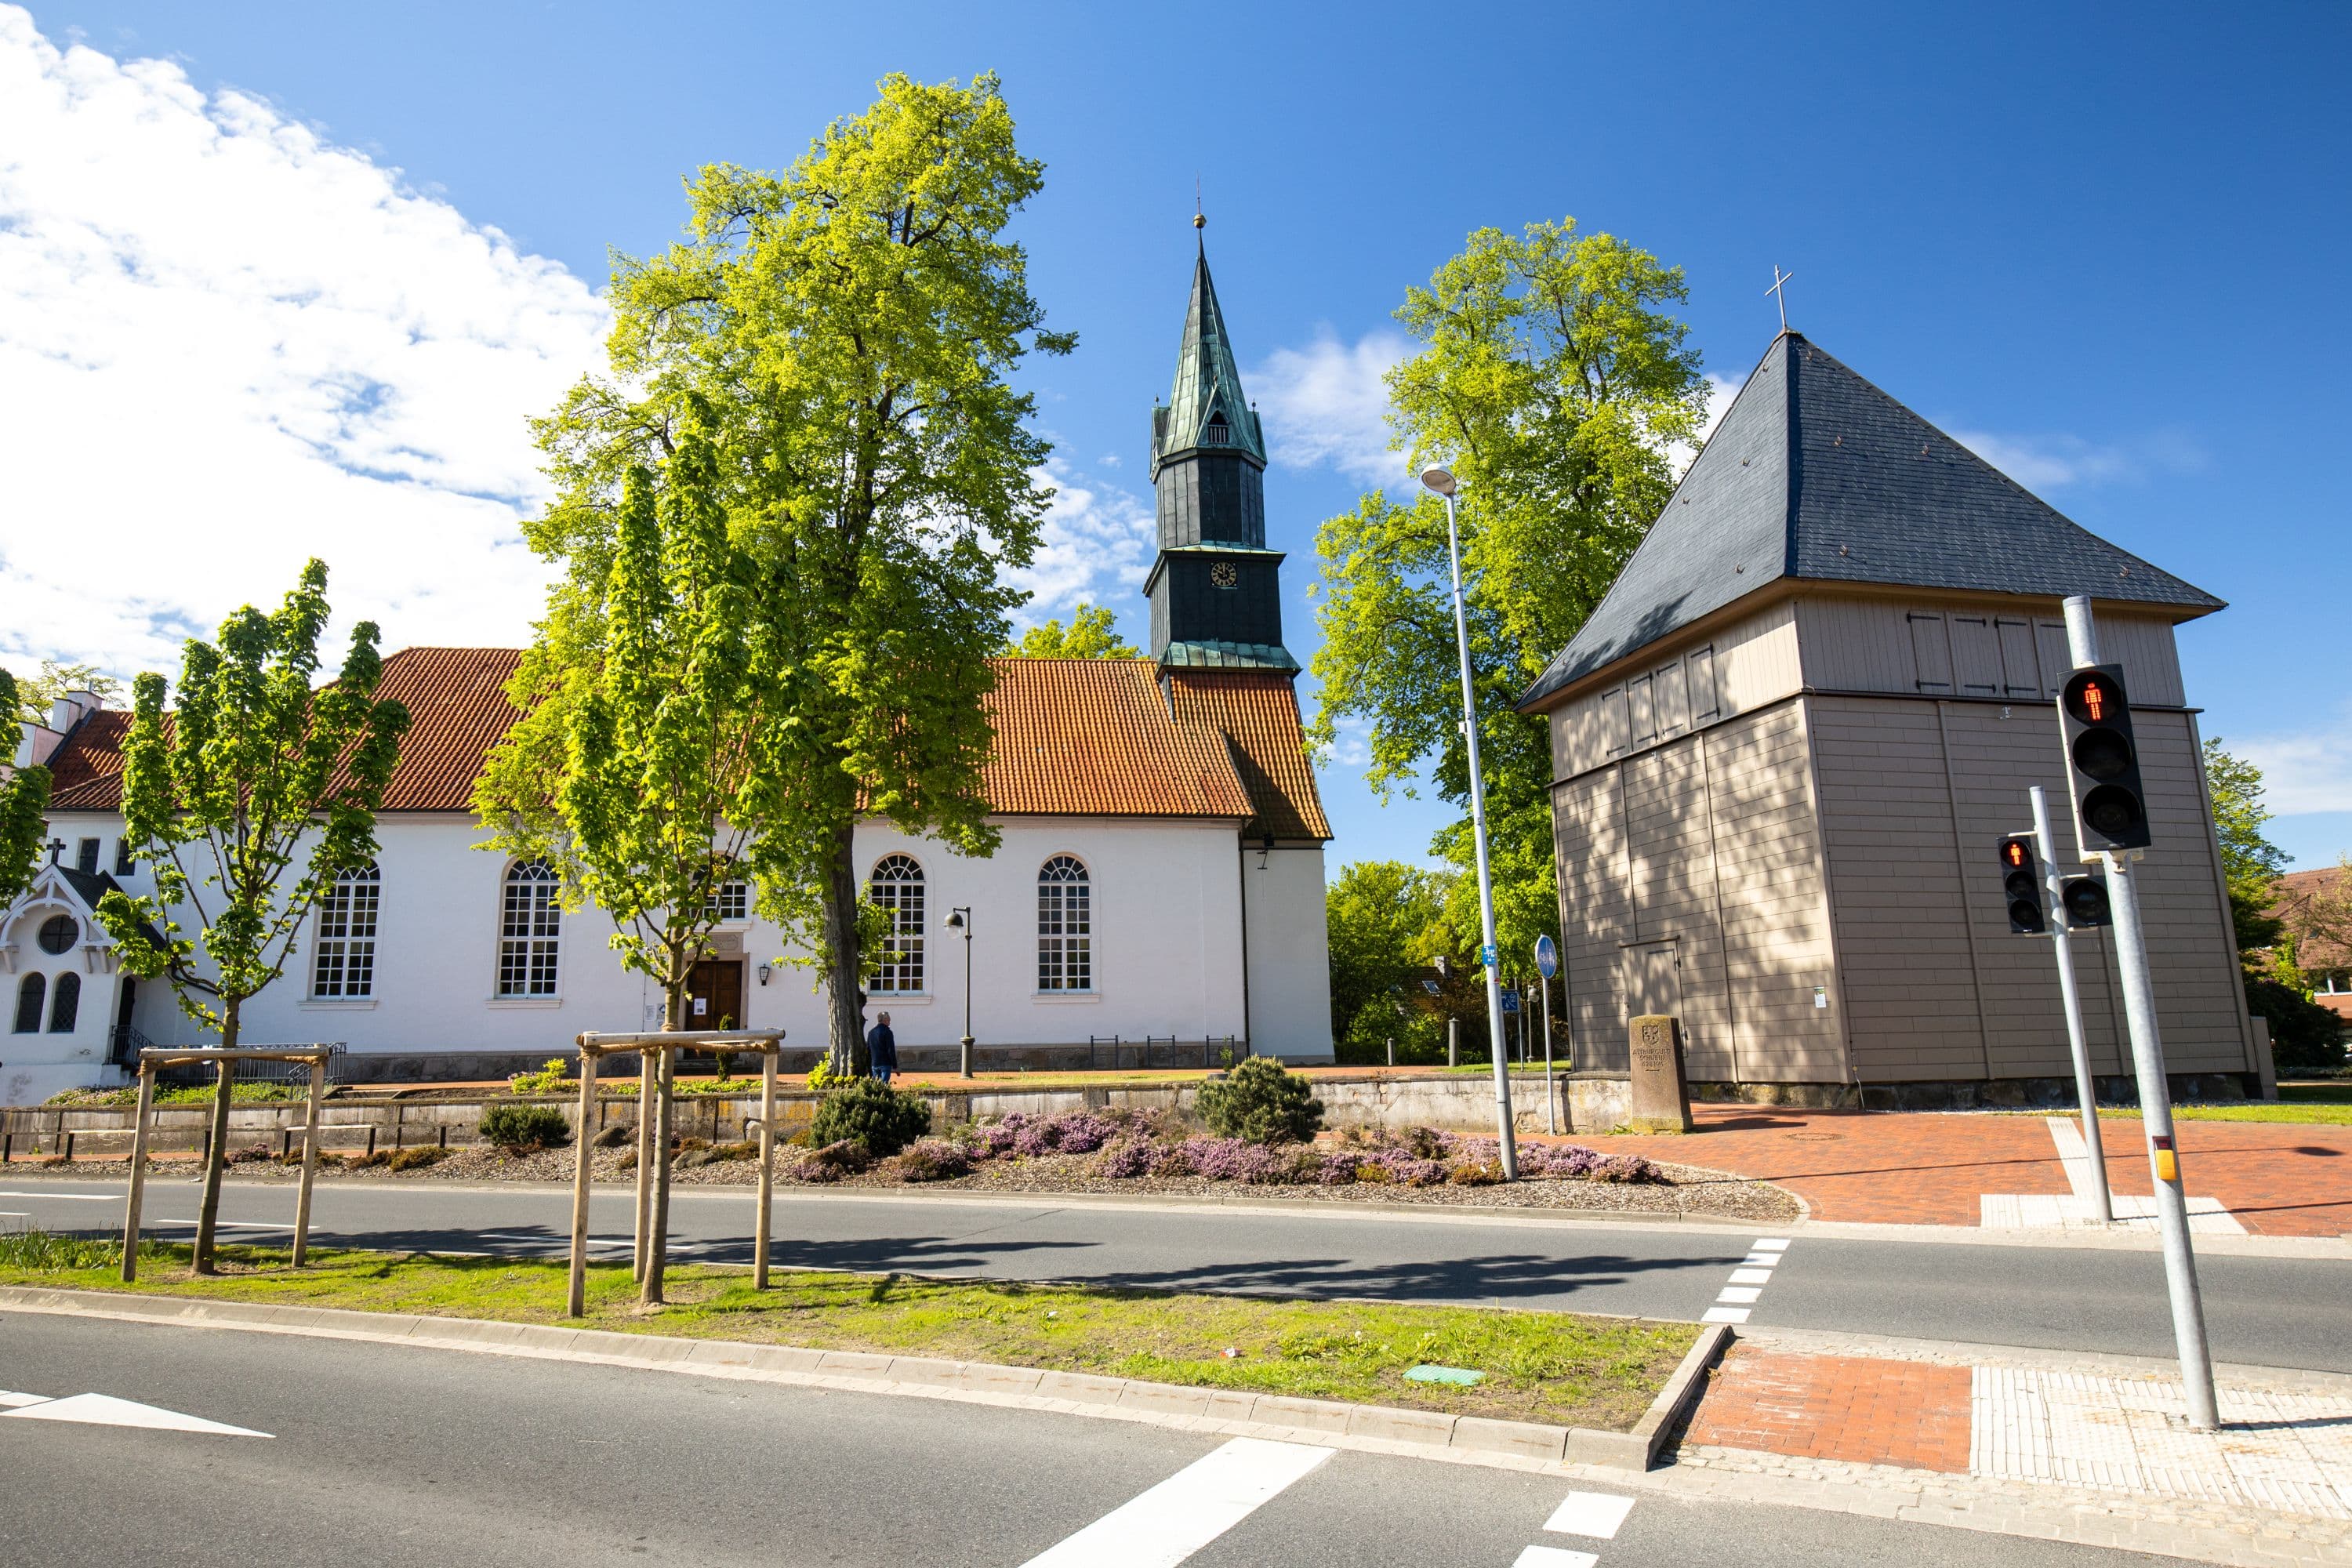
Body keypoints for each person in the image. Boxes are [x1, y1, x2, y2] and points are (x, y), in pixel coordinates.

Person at [866, 1011, 897, 1084]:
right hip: (885, 1063)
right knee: (884, 1086)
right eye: (889, 1019)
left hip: (874, 1063)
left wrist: (869, 1063)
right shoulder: (887, 1032)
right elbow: (890, 1050)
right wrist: (895, 1066)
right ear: (885, 1019)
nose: (890, 1020)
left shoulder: (871, 1032)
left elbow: (868, 1049)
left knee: (876, 1086)